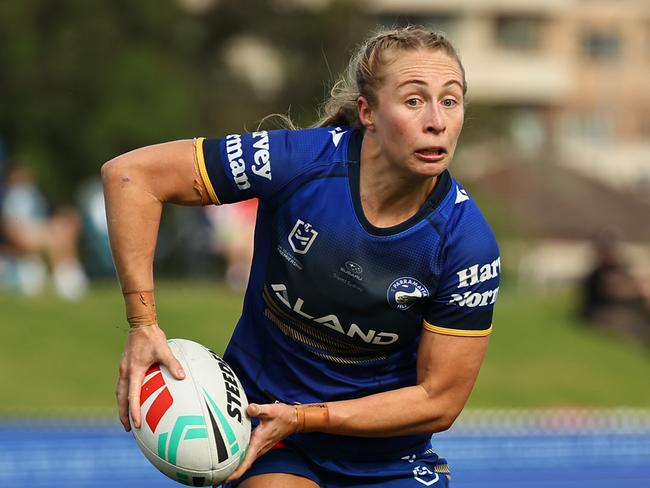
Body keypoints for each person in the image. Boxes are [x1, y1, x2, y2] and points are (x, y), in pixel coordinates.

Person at [102, 26, 500, 487]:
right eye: (414, 101)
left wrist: (309, 416)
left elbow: (439, 401)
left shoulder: (466, 244)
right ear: (368, 112)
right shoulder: (296, 163)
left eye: (450, 101)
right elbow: (130, 177)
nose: (437, 121)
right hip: (270, 432)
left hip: (386, 455)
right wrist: (143, 323)